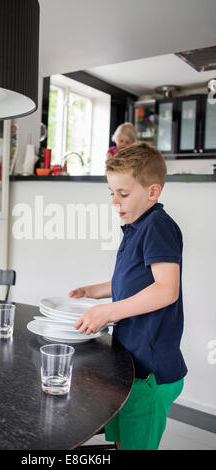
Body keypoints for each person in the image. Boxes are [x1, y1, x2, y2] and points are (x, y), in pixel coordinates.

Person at [69, 142, 187, 450]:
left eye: (123, 194)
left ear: (152, 192)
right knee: (123, 441)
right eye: (111, 193)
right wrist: (94, 291)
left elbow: (166, 289)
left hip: (151, 373)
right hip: (132, 368)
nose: (114, 201)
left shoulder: (158, 226)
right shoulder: (136, 227)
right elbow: (134, 281)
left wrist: (108, 312)